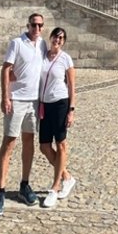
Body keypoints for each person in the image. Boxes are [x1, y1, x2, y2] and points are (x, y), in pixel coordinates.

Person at [0, 12, 47, 217]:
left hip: (34, 101)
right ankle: (1, 192)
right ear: (28, 25)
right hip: (17, 100)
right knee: (9, 143)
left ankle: (24, 185)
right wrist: (5, 97)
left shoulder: (42, 44)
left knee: (29, 142)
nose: (37, 29)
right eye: (33, 25)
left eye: (40, 26)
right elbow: (6, 69)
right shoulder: (17, 43)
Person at [39, 26, 76, 208]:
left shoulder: (66, 59)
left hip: (60, 103)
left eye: (61, 38)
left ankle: (54, 188)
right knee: (44, 146)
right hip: (45, 105)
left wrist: (71, 109)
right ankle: (67, 176)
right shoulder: (43, 55)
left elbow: (71, 86)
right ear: (51, 37)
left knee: (61, 144)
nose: (58, 40)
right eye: (56, 37)